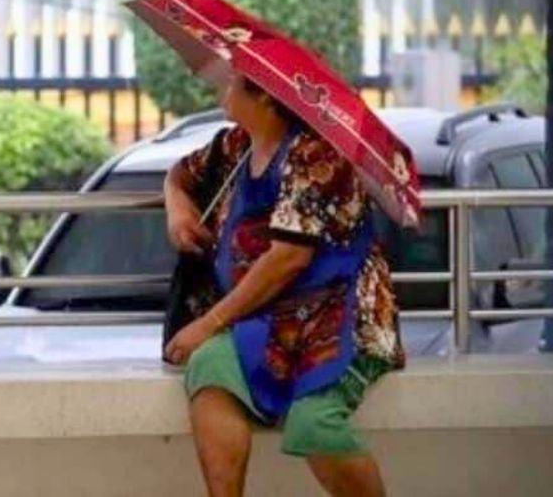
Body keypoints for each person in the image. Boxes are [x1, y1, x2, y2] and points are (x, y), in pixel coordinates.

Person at [163, 73, 404, 497]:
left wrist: (210, 322)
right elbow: (179, 174)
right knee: (211, 370)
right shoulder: (236, 145)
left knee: (313, 423)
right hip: (264, 315)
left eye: (231, 84)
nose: (221, 91)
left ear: (267, 99)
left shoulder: (317, 155)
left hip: (339, 313)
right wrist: (179, 210)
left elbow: (289, 257)